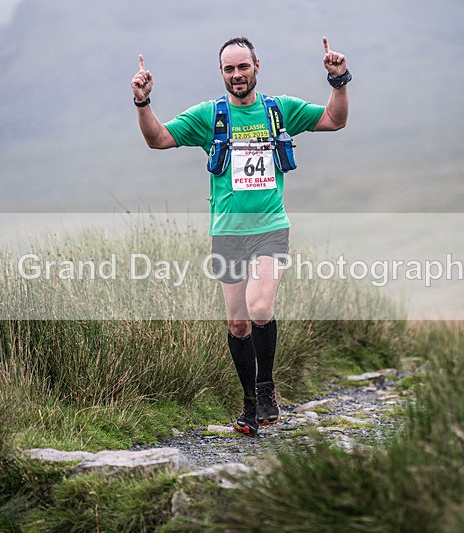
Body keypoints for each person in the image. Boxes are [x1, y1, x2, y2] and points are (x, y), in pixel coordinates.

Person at [131, 36, 349, 436]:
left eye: (243, 67)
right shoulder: (209, 116)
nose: (237, 75)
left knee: (259, 307)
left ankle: (266, 389)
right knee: (237, 324)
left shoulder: (278, 110)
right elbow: (158, 139)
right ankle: (250, 406)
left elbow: (335, 120)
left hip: (270, 229)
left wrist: (339, 81)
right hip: (226, 235)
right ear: (222, 73)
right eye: (229, 69)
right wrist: (143, 103)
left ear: (256, 67)